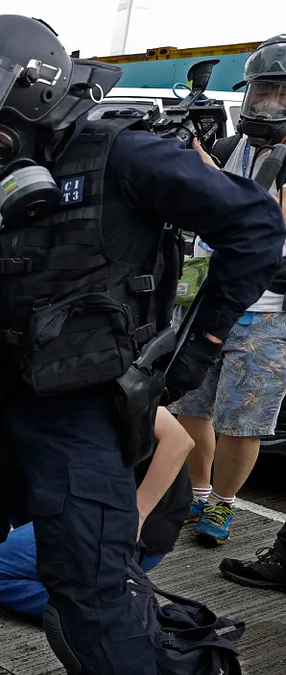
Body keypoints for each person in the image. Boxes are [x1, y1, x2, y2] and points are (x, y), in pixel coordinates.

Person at [0, 15, 286, 675]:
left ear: (35, 89)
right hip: (11, 395)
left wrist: (193, 350)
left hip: (84, 410)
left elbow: (254, 226)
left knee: (87, 593)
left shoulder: (123, 155)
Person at [169, 34, 286, 549]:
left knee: (246, 420)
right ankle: (197, 490)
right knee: (191, 404)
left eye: (283, 93)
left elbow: (269, 228)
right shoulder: (221, 146)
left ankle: (223, 502)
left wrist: (216, 188)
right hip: (204, 302)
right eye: (263, 90)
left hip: (267, 311)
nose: (270, 104)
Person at [0, 407, 194, 619]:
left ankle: (117, 612)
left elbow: (179, 440)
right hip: (79, 511)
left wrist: (137, 513)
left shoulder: (100, 379)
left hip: (124, 531)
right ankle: (96, 592)